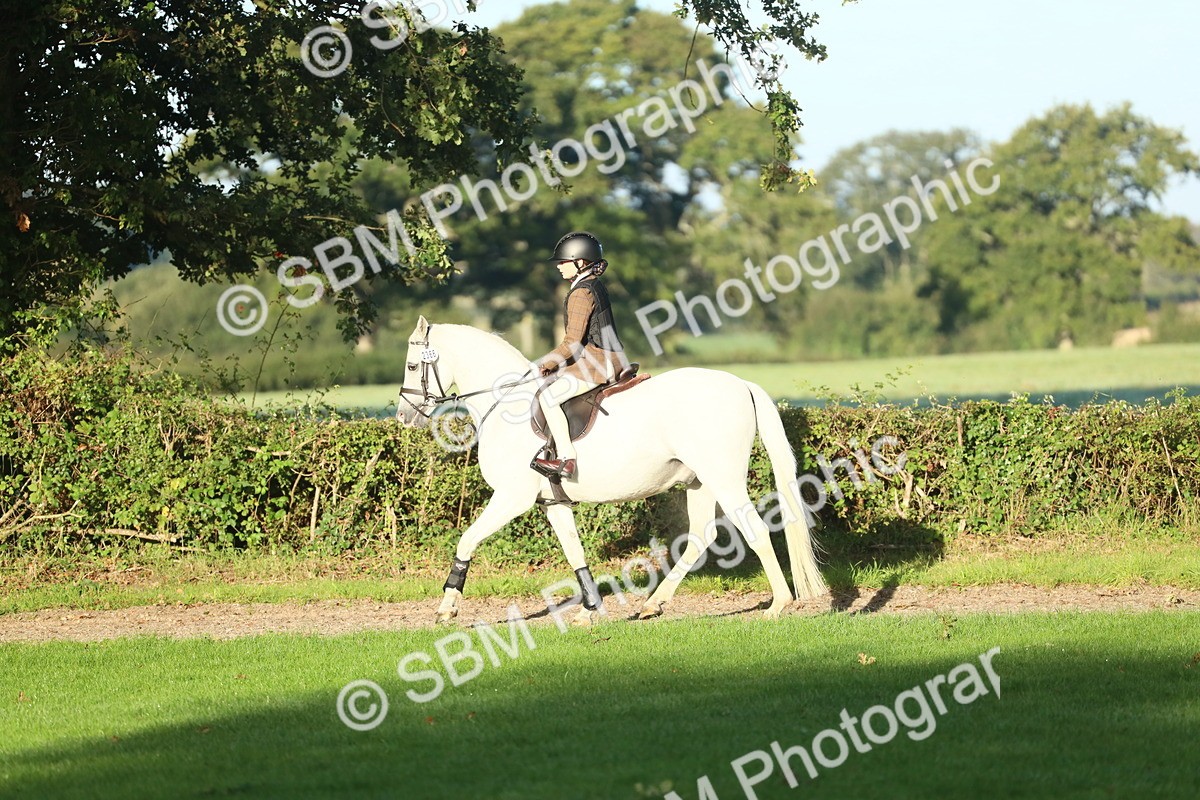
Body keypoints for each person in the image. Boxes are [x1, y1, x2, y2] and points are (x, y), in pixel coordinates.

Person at [532, 231, 628, 479]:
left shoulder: (580, 293)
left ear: (580, 263)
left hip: (598, 363)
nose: (559, 266)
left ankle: (566, 459)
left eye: (564, 262)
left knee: (549, 397)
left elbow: (573, 342)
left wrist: (547, 362)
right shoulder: (594, 285)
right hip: (607, 358)